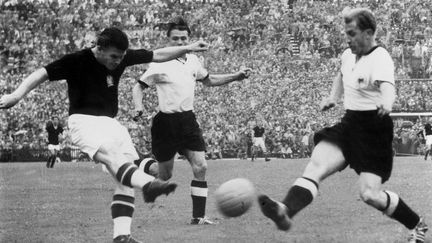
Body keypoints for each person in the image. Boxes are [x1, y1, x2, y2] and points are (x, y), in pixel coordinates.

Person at [0, 27, 208, 243]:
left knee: (124, 176)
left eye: (121, 57)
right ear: (98, 48)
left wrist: (188, 48)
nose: (118, 61)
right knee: (112, 156)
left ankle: (122, 236)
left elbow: (158, 54)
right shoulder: (76, 60)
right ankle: (148, 185)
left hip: (112, 124)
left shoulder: (122, 56)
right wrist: (16, 95)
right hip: (84, 122)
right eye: (113, 56)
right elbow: (41, 73)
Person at [258, 8, 428, 243]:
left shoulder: (380, 58)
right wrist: (332, 97)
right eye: (346, 33)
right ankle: (285, 210)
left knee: (369, 195)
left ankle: (417, 225)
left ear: (368, 33)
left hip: (374, 131)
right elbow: (341, 74)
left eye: (352, 33)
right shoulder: (348, 55)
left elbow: (388, 86)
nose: (348, 39)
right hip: (350, 124)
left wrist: (387, 102)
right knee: (315, 167)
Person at [132, 17, 251, 225]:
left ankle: (198, 217)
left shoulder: (194, 61)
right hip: (166, 124)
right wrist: (138, 106)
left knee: (201, 166)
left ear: (189, 39)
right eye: (176, 39)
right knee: (164, 175)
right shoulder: (160, 62)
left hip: (187, 121)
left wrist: (236, 76)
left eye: (183, 38)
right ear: (168, 40)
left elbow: (209, 80)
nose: (180, 42)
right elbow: (138, 86)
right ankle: (138, 161)